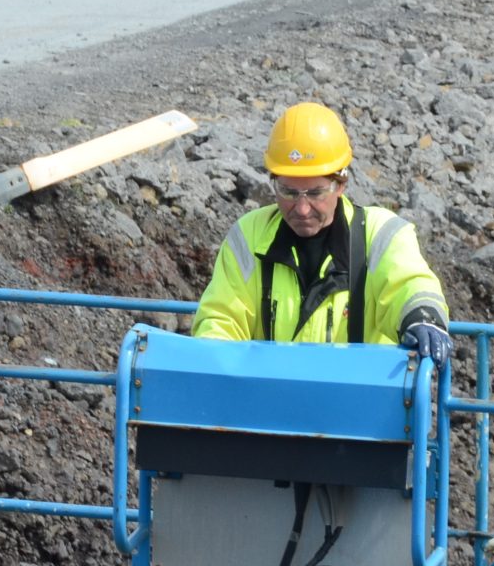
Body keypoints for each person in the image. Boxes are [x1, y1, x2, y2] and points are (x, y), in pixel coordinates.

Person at [191, 102, 452, 367]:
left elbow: (410, 284)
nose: (302, 209)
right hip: (271, 401)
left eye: (315, 193)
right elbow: (220, 320)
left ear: (341, 184)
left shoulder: (380, 235)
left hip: (358, 402)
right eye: (288, 192)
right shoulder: (248, 237)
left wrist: (423, 318)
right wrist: (217, 365)